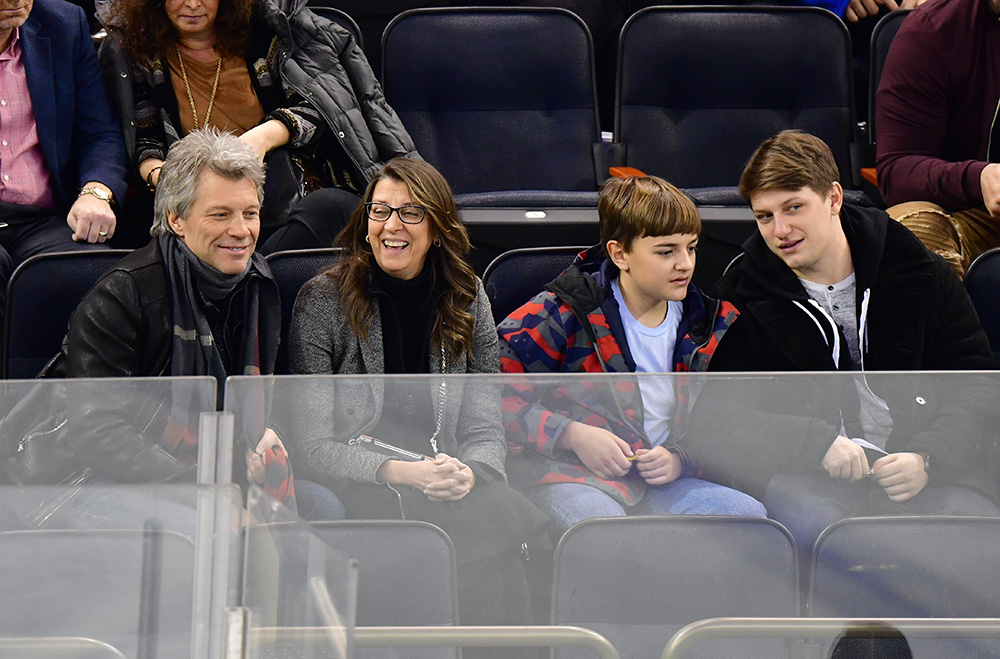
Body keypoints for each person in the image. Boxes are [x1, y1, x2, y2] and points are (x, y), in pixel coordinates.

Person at [688, 130, 1000, 561]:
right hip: (806, 478)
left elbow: (978, 385)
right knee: (813, 528)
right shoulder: (742, 293)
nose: (780, 230)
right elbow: (713, 418)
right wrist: (812, 444)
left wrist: (929, 458)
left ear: (834, 198)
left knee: (972, 532)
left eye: (794, 207)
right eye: (764, 216)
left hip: (927, 472)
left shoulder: (917, 270)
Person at [10, 128, 342, 528]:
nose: (241, 230)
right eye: (220, 215)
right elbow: (97, 434)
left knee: (323, 510)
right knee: (206, 531)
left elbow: (257, 401)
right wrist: (203, 492)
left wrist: (265, 437)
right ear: (176, 219)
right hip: (87, 478)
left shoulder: (257, 284)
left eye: (249, 213)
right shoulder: (124, 294)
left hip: (207, 470)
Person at [287, 157, 549, 642]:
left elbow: (485, 425)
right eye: (380, 211)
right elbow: (312, 446)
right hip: (363, 477)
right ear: (365, 225)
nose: (392, 226)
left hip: (448, 474)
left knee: (508, 543)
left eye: (410, 213)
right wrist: (409, 474)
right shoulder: (321, 302)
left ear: (438, 228)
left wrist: (471, 469)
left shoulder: (466, 295)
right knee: (463, 546)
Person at [496, 175, 766, 537]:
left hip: (665, 483)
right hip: (572, 476)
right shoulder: (558, 313)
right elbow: (491, 397)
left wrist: (679, 459)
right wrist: (571, 435)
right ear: (619, 253)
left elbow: (725, 420)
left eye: (692, 247)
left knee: (747, 516)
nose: (685, 263)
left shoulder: (710, 323)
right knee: (602, 529)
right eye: (666, 251)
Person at [102, 0, 419, 252]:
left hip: (285, 192)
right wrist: (168, 179)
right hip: (202, 202)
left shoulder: (266, 37)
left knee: (329, 208)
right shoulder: (140, 57)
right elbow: (146, 142)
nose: (192, 4)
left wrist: (263, 137)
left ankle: (251, 279)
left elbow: (320, 111)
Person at [0, 0, 127, 303]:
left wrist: (96, 191)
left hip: (40, 219)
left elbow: (99, 132)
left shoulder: (63, 24)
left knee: (94, 274)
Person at [875, 0, 1000, 276]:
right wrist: (979, 178)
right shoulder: (932, 32)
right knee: (912, 234)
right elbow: (896, 169)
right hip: (975, 214)